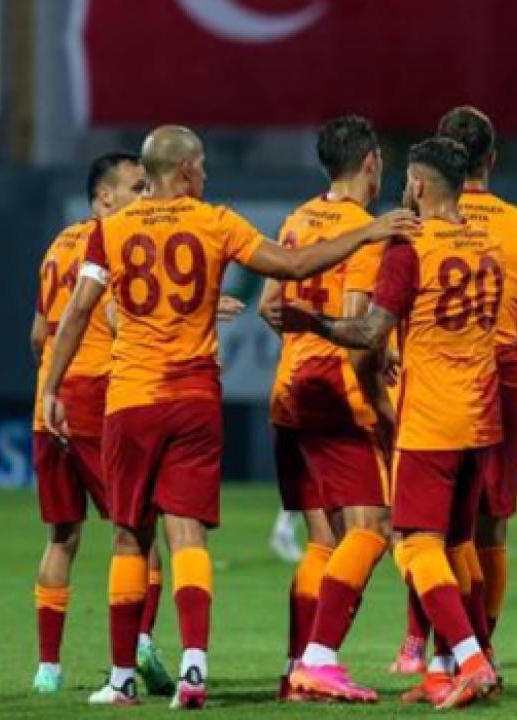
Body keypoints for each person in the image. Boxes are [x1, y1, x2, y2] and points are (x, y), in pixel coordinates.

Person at [40, 125, 416, 708]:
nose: (207, 174)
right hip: (194, 399)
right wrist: (368, 231)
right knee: (187, 534)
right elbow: (294, 265)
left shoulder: (108, 231)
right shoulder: (215, 222)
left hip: (132, 399)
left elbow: (77, 313)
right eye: (203, 166)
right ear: (187, 170)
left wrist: (51, 387)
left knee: (128, 536)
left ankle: (121, 680)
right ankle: (194, 667)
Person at [282, 136, 503, 709]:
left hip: (429, 419)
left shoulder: (408, 248)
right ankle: (441, 671)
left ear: (419, 185)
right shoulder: (487, 246)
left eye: (408, 180)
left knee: (417, 542)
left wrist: (313, 323)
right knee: (455, 544)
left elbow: (368, 332)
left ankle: (471, 660)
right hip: (480, 419)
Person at [387, 107, 517, 673]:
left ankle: (423, 645)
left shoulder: (419, 231)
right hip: (501, 379)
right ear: (491, 157)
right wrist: (507, 349)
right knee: (486, 527)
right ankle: (479, 647)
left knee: (424, 524)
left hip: (433, 376)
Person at [258, 116, 396, 703]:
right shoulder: (366, 232)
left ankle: (297, 669)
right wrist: (382, 394)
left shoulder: (297, 220)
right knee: (374, 530)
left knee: (322, 542)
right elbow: (361, 331)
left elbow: (269, 305)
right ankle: (320, 659)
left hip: (289, 392)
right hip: (339, 398)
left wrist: (302, 343)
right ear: (369, 162)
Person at [29, 153, 174, 696]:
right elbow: (116, 317)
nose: (146, 195)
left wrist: (51, 385)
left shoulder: (56, 245)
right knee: (137, 527)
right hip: (97, 397)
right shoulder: (115, 242)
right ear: (105, 196)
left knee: (62, 536)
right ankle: (141, 641)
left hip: (48, 404)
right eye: (137, 187)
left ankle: (48, 669)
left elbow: (38, 334)